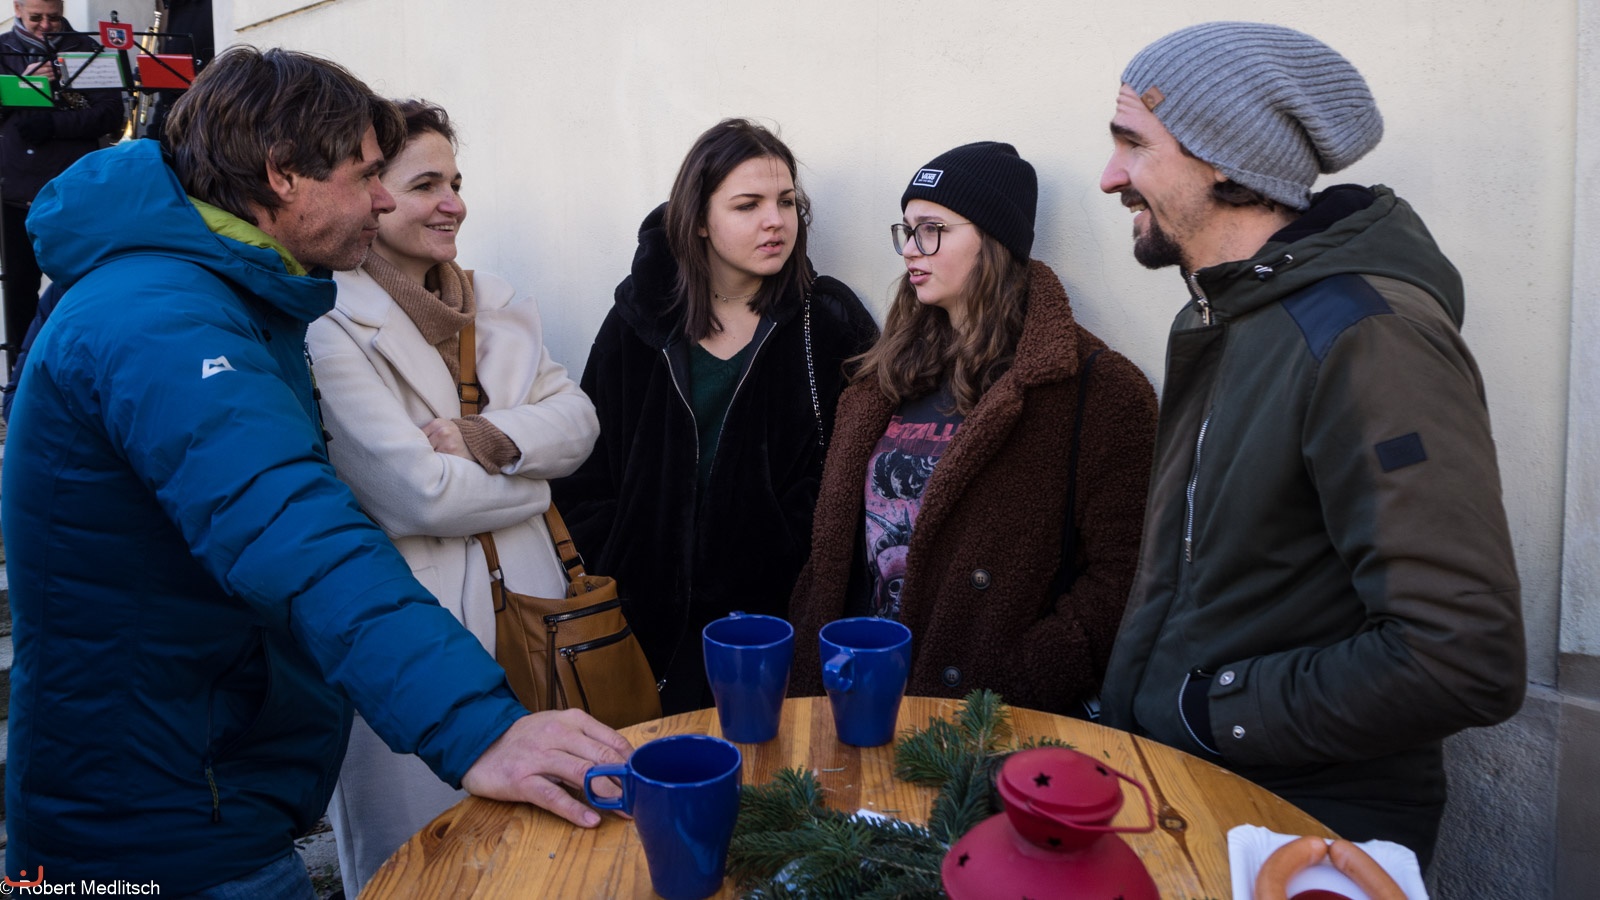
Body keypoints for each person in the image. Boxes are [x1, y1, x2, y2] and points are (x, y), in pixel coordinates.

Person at [2, 47, 629, 895]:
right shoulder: (162, 320)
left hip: (206, 790)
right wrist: (478, 726)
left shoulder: (226, 296)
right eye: (366, 174)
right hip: (153, 831)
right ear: (282, 173)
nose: (383, 198)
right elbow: (300, 534)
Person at [1095, 22, 1526, 867]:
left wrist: (1208, 711)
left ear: (1224, 159)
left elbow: (1462, 654)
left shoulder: (1368, 338)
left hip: (1301, 833)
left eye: (1133, 144)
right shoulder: (1227, 316)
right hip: (1194, 797)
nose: (1110, 175)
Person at [305, 99, 601, 897]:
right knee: (422, 867)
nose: (453, 204)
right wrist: (536, 477)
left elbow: (580, 424)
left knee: (547, 861)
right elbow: (420, 497)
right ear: (373, 194)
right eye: (425, 184)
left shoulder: (494, 298)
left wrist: (486, 439)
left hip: (536, 617)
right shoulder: (328, 321)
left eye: (457, 182)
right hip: (415, 634)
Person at [787, 142, 1157, 714]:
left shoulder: (1095, 389)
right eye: (907, 230)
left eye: (932, 229)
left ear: (994, 239)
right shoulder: (883, 377)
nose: (911, 249)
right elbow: (835, 549)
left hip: (983, 713)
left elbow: (1125, 573)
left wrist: (1020, 677)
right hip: (853, 689)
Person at [552, 118, 879, 715]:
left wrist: (787, 542)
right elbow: (584, 467)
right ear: (699, 218)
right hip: (647, 631)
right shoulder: (638, 322)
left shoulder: (827, 320)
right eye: (747, 205)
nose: (775, 221)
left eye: (786, 202)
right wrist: (620, 562)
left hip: (776, 628)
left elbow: (864, 472)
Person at [0, 0, 125, 370]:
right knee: (19, 289)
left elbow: (110, 115)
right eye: (35, 17)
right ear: (17, 8)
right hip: (15, 189)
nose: (45, 26)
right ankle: (21, 378)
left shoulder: (85, 49)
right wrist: (26, 84)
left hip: (73, 189)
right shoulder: (3, 50)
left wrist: (54, 125)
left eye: (53, 18)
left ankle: (81, 370)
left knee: (80, 285)